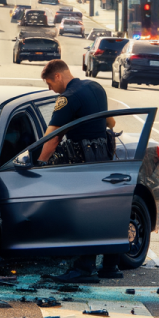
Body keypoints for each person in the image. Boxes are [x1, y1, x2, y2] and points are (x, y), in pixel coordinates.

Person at [38, 59, 120, 281]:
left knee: (81, 214)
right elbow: (110, 122)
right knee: (102, 213)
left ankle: (83, 269)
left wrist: (40, 164)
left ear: (58, 76)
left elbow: (52, 139)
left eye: (49, 84)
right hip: (102, 158)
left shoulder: (67, 99)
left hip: (82, 163)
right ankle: (111, 266)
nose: (50, 89)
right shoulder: (95, 87)